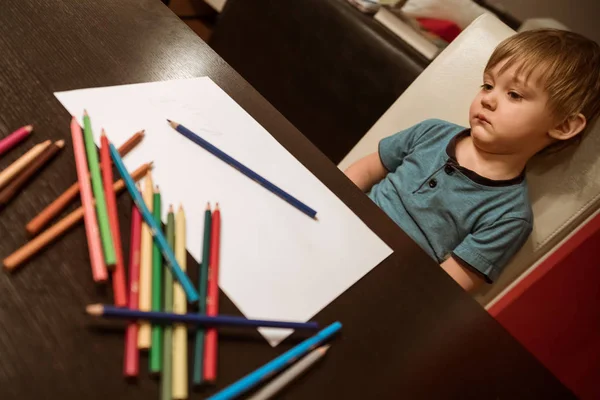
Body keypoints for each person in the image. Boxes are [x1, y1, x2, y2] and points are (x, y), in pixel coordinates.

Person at [344, 29, 600, 291]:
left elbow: (443, 289)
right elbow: (366, 170)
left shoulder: (510, 217)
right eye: (488, 85)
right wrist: (337, 205)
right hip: (343, 228)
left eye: (514, 94)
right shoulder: (431, 131)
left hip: (385, 283)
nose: (487, 98)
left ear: (564, 125)